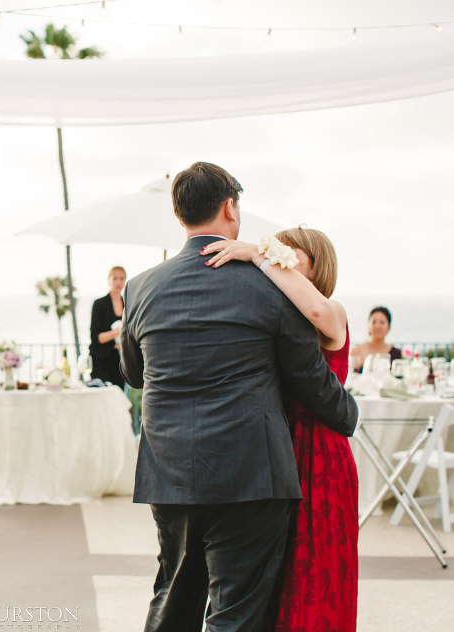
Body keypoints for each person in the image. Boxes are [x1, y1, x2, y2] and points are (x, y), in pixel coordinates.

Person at [119, 162, 358, 632]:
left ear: (179, 214)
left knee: (173, 597)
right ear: (230, 208)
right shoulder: (268, 282)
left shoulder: (140, 287)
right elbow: (306, 375)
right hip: (253, 474)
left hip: (169, 469)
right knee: (238, 613)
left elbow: (133, 372)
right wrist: (347, 412)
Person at [202, 226, 359, 631]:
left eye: (291, 252)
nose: (281, 256)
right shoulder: (279, 315)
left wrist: (258, 254)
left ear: (317, 263)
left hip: (323, 455)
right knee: (283, 569)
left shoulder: (333, 311)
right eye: (278, 249)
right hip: (281, 451)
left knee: (318, 565)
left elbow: (319, 313)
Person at [89, 266, 127, 389]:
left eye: (122, 278)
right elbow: (95, 337)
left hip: (120, 361)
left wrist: (125, 344)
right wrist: (116, 332)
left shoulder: (128, 304)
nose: (118, 282)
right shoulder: (100, 304)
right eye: (115, 278)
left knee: (118, 397)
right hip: (101, 360)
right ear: (109, 280)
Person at [349, 306, 402, 373]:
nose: (377, 326)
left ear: (389, 326)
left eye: (382, 322)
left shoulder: (395, 353)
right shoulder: (356, 351)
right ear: (368, 325)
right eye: (374, 322)